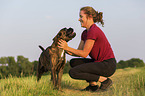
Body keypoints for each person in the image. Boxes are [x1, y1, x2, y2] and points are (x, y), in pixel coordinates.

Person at [58, 6, 116, 92]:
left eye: (81, 16)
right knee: (74, 62)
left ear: (89, 17)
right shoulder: (85, 33)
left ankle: (105, 81)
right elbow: (78, 52)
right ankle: (93, 86)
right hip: (99, 63)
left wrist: (67, 47)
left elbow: (84, 54)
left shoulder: (93, 31)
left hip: (107, 65)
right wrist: (64, 49)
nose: (79, 19)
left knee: (73, 72)